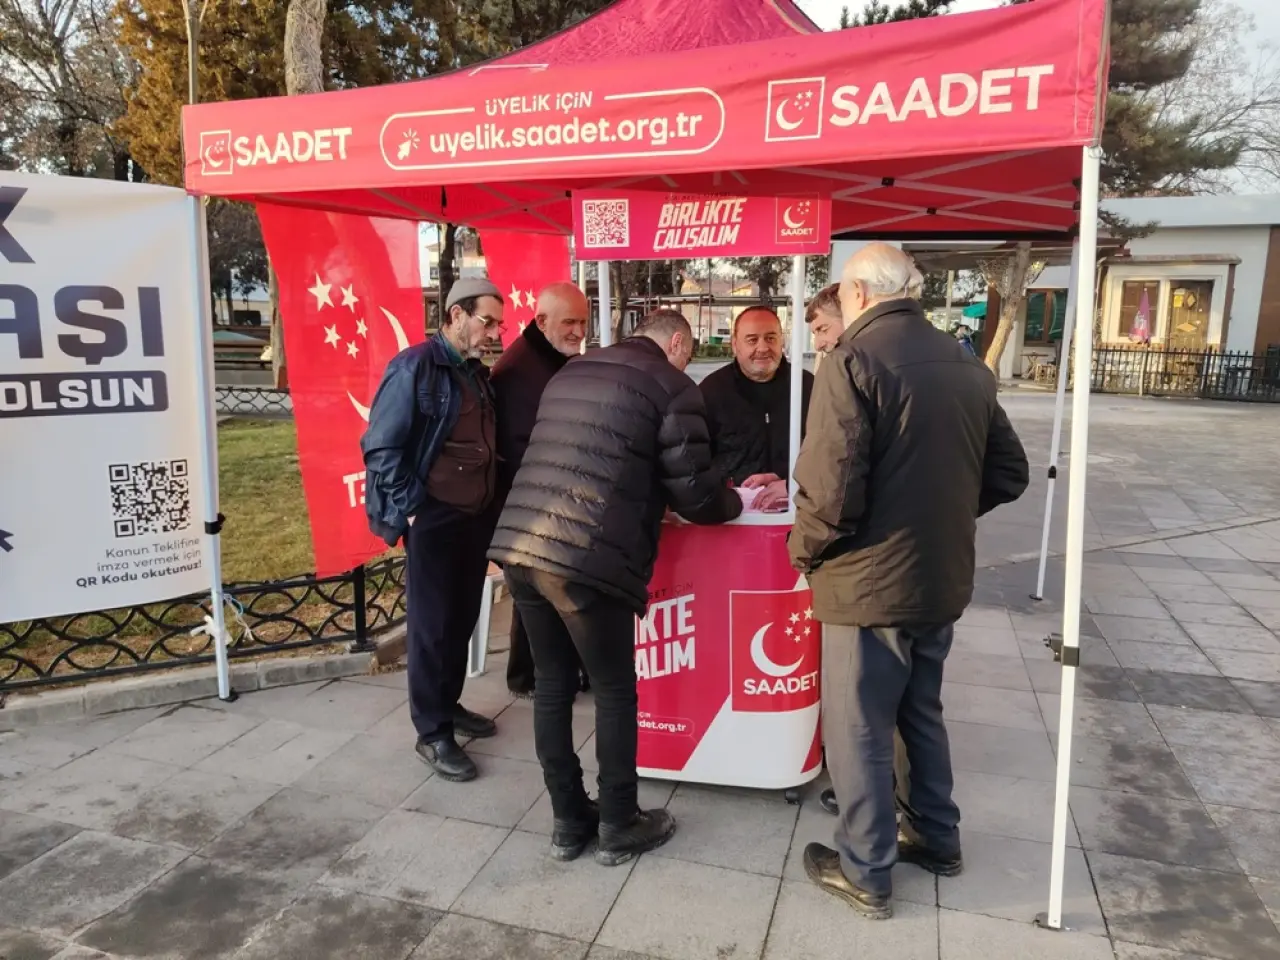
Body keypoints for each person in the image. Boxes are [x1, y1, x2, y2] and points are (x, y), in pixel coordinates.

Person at [789, 244, 1029, 920]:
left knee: (859, 726)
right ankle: (934, 833)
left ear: (858, 294)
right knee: (919, 711)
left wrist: (800, 552)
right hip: (938, 575)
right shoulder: (965, 363)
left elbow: (830, 492)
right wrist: (937, 515)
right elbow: (1009, 472)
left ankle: (866, 868)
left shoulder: (853, 361)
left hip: (867, 584)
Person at [489, 309, 742, 866]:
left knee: (553, 685)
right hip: (587, 558)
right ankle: (619, 822)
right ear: (677, 342)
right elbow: (697, 498)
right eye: (688, 352)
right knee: (613, 689)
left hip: (521, 545)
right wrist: (743, 500)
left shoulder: (571, 372)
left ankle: (566, 820)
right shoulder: (673, 386)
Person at [361, 278, 507, 784]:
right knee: (432, 626)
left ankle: (449, 705)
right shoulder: (415, 367)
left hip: (473, 517)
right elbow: (381, 447)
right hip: (435, 516)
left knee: (462, 617)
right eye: (486, 320)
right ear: (455, 315)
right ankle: (432, 732)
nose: (493, 331)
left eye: (497, 323)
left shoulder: (474, 373)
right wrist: (414, 509)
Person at [490, 282, 591, 698]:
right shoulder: (520, 369)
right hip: (530, 504)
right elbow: (518, 446)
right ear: (542, 320)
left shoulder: (548, 357)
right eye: (570, 322)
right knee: (534, 593)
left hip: (550, 499)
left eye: (583, 322)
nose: (579, 331)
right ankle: (526, 678)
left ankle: (548, 672)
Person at [699, 306, 813, 512]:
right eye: (752, 340)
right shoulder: (711, 391)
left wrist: (788, 481)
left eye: (770, 338)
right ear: (735, 345)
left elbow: (828, 453)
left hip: (796, 509)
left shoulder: (807, 386)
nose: (762, 348)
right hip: (733, 514)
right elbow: (695, 460)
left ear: (782, 341)